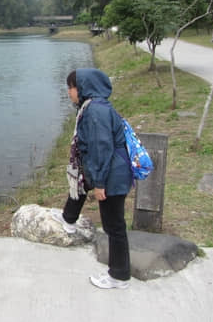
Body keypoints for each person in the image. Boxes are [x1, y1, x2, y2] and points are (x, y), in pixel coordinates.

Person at [51, 68, 133, 289]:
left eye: (71, 87)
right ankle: (68, 220)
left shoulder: (95, 111)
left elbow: (100, 149)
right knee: (80, 183)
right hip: (111, 170)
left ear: (82, 88)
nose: (69, 92)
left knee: (114, 226)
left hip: (111, 175)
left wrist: (99, 183)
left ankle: (119, 276)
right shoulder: (94, 106)